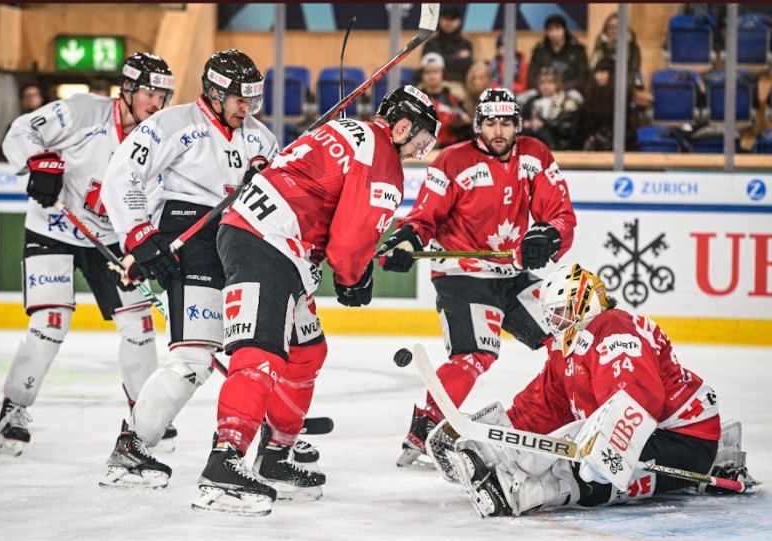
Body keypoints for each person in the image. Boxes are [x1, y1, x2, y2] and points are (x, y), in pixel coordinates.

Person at [191, 85, 440, 516]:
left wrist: (352, 265)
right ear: (402, 127)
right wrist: (355, 277)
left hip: (271, 240)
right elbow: (348, 245)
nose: (421, 151)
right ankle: (224, 463)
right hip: (267, 242)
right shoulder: (381, 158)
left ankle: (275, 456)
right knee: (262, 352)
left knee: (307, 350)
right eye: (421, 141)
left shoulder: (346, 128)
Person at [431, 262, 757, 517]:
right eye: (550, 315)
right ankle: (508, 466)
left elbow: (636, 397)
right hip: (653, 434)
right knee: (572, 440)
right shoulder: (567, 346)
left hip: (685, 438)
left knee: (587, 474)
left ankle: (520, 494)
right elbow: (546, 403)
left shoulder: (613, 327)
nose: (555, 321)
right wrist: (500, 436)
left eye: (561, 311)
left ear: (585, 302)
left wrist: (609, 450)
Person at [98, 49, 280, 489]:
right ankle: (133, 445)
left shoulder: (261, 139)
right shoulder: (172, 124)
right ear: (215, 93)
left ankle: (273, 446)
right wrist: (139, 235)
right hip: (190, 235)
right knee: (194, 360)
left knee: (262, 351)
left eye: (253, 100)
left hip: (243, 240)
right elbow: (121, 177)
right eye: (239, 99)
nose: (246, 109)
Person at [376, 87, 577, 469]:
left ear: (517, 124)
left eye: (505, 123)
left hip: (512, 274)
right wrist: (407, 240)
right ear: (478, 125)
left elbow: (561, 214)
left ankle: (572, 410)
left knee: (568, 339)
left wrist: (548, 235)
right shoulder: (453, 160)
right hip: (462, 274)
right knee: (474, 356)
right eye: (490, 123)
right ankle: (425, 431)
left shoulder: (535, 155)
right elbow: (423, 217)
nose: (498, 131)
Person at [0, 53, 175, 457]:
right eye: (149, 93)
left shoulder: (157, 137)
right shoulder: (81, 111)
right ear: (126, 90)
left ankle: (144, 415)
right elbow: (20, 132)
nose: (156, 103)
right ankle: (14, 409)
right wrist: (39, 165)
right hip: (53, 228)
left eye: (163, 95)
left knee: (139, 324)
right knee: (51, 321)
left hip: (111, 240)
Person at [526, 14, 588, 102]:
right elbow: (532, 77)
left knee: (576, 99)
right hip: (542, 91)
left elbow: (581, 78)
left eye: (558, 28)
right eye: (550, 29)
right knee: (522, 100)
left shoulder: (577, 50)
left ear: (564, 30)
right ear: (546, 32)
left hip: (569, 91)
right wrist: (545, 88)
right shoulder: (539, 51)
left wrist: (558, 88)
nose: (554, 33)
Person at [521, 67, 582, 151]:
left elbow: (566, 130)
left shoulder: (567, 103)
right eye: (542, 83)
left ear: (557, 84)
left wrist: (545, 124)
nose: (545, 86)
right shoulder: (532, 102)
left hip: (558, 146)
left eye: (550, 83)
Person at [418, 52, 471, 148]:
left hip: (448, 149)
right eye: (428, 72)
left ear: (442, 73)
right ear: (422, 75)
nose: (432, 76)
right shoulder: (414, 99)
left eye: (435, 72)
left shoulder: (454, 98)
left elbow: (466, 124)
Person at [421, 5, 474, 83]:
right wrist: (457, 58)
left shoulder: (466, 44)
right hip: (431, 84)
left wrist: (438, 58)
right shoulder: (430, 44)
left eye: (453, 19)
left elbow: (466, 65)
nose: (449, 22)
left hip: (457, 84)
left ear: (459, 21)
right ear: (439, 20)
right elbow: (426, 64)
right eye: (445, 18)